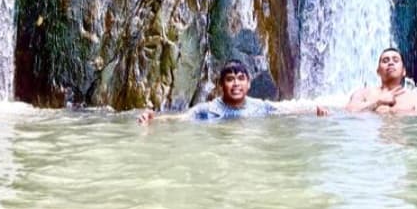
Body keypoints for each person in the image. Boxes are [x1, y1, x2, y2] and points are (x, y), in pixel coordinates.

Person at [137, 60, 328, 123]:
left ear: (248, 84)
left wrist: (314, 111)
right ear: (221, 85)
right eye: (229, 79)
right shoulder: (207, 110)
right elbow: (180, 119)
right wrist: (153, 119)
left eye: (240, 79)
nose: (235, 84)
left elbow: (286, 111)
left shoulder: (260, 107)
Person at [345, 47, 417, 116]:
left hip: (399, 138)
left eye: (395, 60)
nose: (390, 63)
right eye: (385, 60)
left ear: (404, 71)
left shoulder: (415, 98)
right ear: (378, 71)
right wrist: (378, 102)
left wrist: (395, 113)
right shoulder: (363, 93)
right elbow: (349, 110)